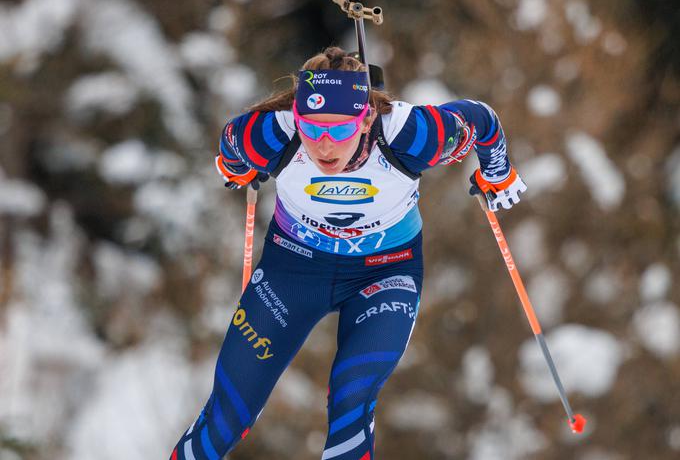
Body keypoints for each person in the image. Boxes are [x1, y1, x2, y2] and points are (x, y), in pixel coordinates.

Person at [169, 47, 527, 460]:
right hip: (293, 268)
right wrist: (238, 167)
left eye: (339, 130)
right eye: (311, 127)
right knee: (228, 413)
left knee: (351, 397)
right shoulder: (272, 134)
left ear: (367, 117)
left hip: (385, 273)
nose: (323, 145)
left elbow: (481, 119)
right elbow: (231, 141)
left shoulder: (411, 135)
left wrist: (496, 172)